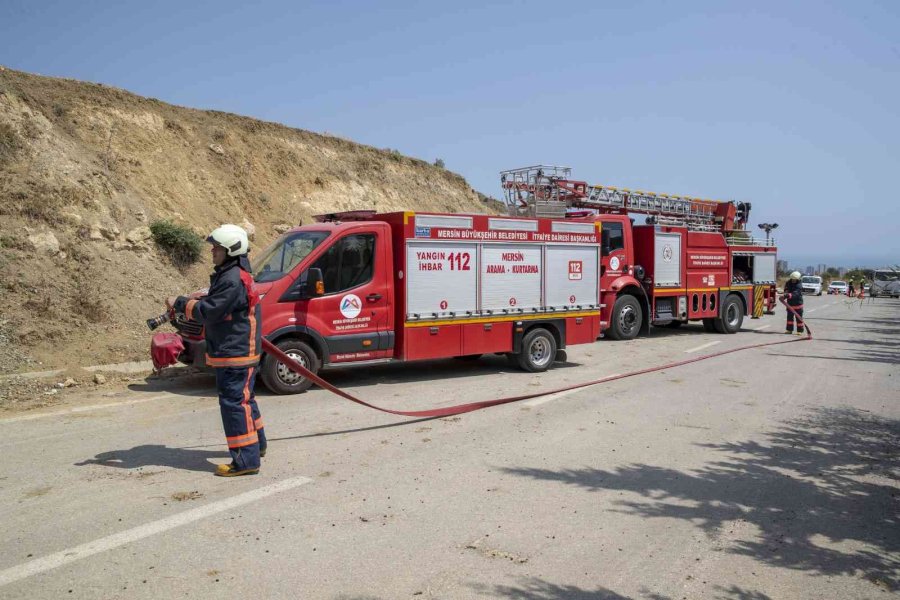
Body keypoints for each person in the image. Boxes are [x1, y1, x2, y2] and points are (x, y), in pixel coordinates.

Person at [167, 224, 266, 477]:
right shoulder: (235, 273)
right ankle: (257, 446)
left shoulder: (232, 279)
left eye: (217, 247)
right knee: (245, 400)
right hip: (239, 349)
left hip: (235, 352)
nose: (212, 251)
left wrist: (181, 303)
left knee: (234, 404)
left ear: (231, 250)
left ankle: (245, 460)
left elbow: (209, 312)